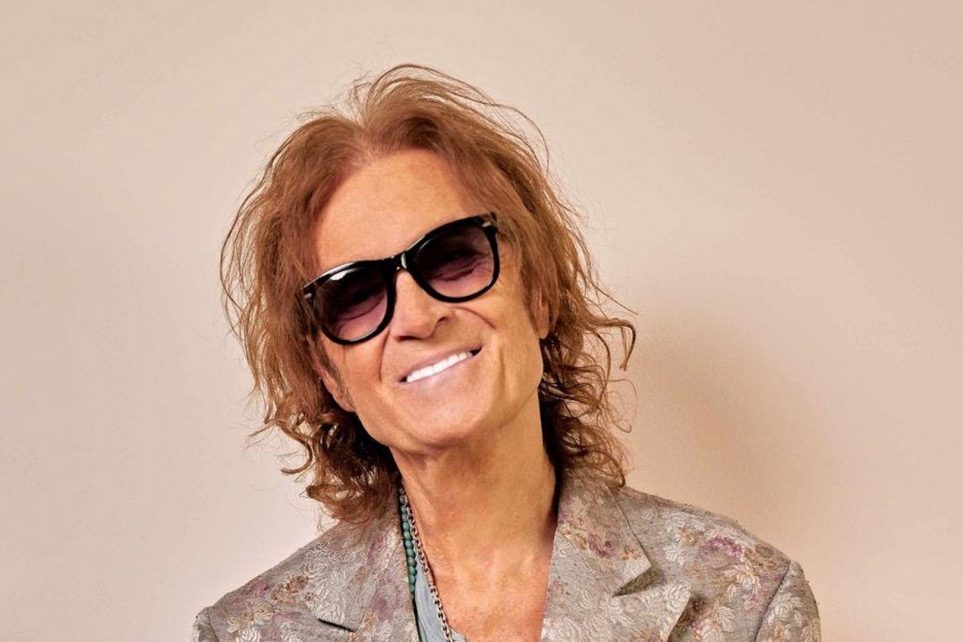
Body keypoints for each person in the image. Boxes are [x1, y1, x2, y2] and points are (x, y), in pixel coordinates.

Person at [193, 64, 820, 641]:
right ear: (330, 374)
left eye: (453, 256)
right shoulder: (249, 634)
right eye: (355, 294)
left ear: (538, 293)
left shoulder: (744, 601)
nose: (418, 316)